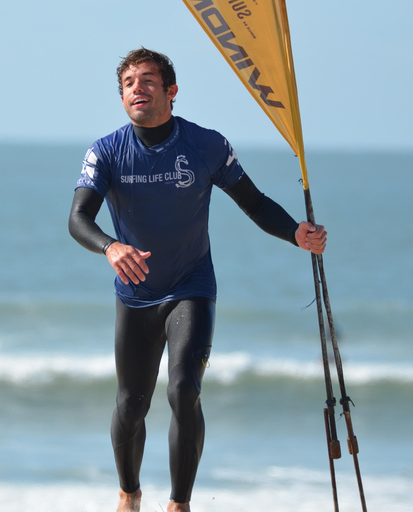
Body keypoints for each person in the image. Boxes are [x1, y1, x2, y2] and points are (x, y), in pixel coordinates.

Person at [68, 48, 327, 512]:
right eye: (128, 83)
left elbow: (255, 202)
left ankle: (180, 504)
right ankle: (129, 493)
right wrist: (110, 245)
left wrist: (295, 232)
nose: (137, 88)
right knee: (131, 404)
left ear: (171, 91)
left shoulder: (207, 145)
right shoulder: (106, 151)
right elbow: (78, 218)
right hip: (136, 294)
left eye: (148, 80)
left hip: (191, 286)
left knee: (184, 389)